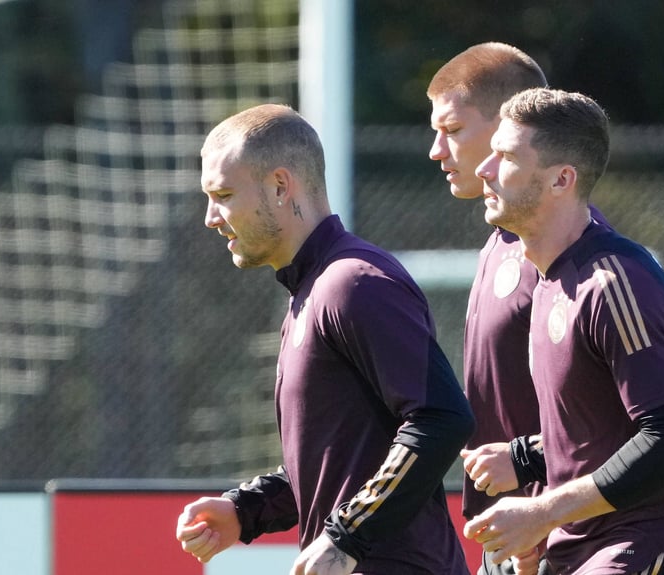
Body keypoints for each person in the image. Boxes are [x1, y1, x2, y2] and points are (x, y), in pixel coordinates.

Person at [175, 104, 476, 575]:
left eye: (224, 194)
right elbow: (344, 464)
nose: (211, 217)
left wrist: (347, 536)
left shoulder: (353, 284)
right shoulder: (311, 292)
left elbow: (441, 418)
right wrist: (246, 510)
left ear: (280, 186)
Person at [463, 87, 664, 574]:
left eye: (503, 156)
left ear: (561, 179)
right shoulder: (548, 281)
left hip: (648, 542)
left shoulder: (612, 281)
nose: (484, 170)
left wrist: (542, 512)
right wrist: (526, 462)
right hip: (586, 549)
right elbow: (602, 429)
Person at [426, 42, 550, 575]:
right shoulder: (500, 243)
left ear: (507, 130)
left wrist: (543, 513)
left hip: (560, 538)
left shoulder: (567, 253)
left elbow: (634, 426)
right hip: (511, 538)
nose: (436, 149)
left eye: (452, 130)